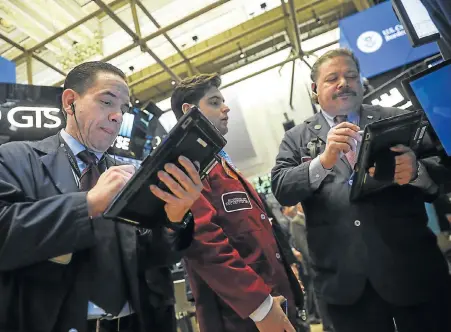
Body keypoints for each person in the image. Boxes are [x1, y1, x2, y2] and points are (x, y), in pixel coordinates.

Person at [0, 61, 203, 332]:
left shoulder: (133, 173)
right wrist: (87, 204)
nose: (118, 116)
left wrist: (174, 217)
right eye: (107, 102)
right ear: (70, 101)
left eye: (123, 108)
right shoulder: (15, 158)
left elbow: (156, 257)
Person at [271, 48, 451, 332]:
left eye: (351, 76)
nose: (343, 82)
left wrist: (417, 172)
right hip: (345, 288)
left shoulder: (398, 118)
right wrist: (323, 162)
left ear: (361, 82)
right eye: (332, 78)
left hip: (414, 273)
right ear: (315, 89)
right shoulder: (296, 139)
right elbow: (282, 188)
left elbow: (441, 173)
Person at [171, 74, 305, 332]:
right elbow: (205, 246)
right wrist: (261, 307)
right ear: (189, 111)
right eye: (214, 102)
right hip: (242, 318)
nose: (226, 107)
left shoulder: (223, 164)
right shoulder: (186, 167)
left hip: (275, 303)